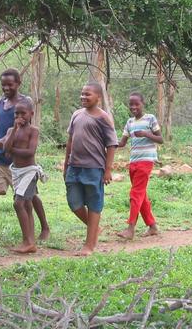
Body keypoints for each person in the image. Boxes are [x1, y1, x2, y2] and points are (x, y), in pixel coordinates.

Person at [0, 68, 50, 244]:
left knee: (29, 197)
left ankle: (43, 227)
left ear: (18, 83)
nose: (6, 88)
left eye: (10, 84)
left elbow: (28, 128)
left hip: (19, 161)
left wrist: (9, 141)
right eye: (3, 85)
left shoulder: (26, 102)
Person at [63, 82, 118, 256]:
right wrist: (66, 164)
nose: (83, 97)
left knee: (94, 204)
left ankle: (89, 246)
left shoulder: (103, 118)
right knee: (74, 203)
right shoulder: (76, 115)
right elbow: (70, 141)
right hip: (74, 166)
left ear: (98, 98)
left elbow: (111, 145)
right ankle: (95, 229)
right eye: (82, 94)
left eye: (88, 95)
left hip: (94, 168)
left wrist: (108, 170)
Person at [0, 99, 46, 253]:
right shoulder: (11, 130)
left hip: (29, 171)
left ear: (31, 114)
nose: (19, 116)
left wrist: (11, 150)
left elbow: (30, 152)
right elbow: (6, 148)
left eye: (23, 113)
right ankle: (29, 240)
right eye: (16, 113)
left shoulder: (33, 131)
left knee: (18, 203)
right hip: (16, 172)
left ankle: (28, 242)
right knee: (27, 205)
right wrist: (13, 132)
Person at [116, 92, 163, 240]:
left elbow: (160, 139)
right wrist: (107, 142)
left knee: (135, 194)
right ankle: (152, 226)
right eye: (131, 104)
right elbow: (122, 143)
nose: (133, 107)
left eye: (137, 104)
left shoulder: (150, 118)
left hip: (146, 161)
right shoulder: (129, 122)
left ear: (143, 103)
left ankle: (130, 228)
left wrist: (145, 134)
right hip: (133, 162)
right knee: (141, 195)